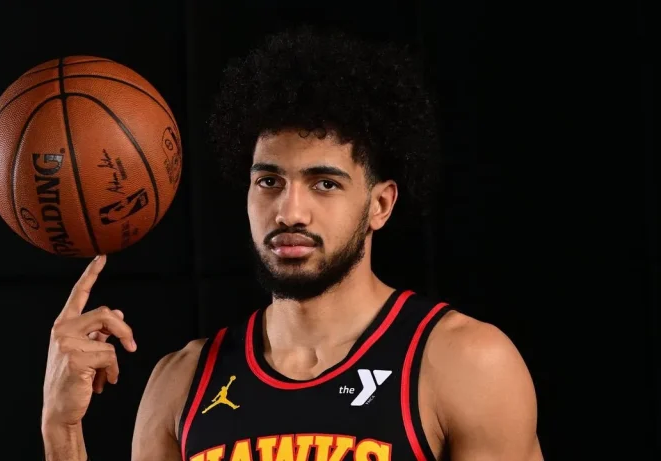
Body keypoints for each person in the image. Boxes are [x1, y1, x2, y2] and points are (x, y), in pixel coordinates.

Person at [41, 26, 543, 461]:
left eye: (324, 183)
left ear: (380, 205)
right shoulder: (182, 382)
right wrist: (61, 430)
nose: (290, 212)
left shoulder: (464, 363)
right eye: (269, 181)